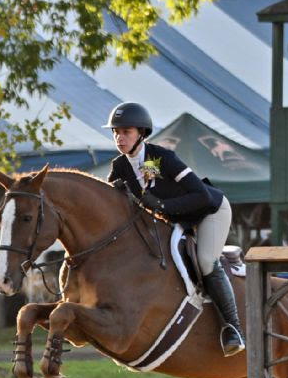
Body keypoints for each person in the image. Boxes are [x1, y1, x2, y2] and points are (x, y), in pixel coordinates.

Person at [104, 102, 244, 357]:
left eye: (126, 132)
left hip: (209, 211)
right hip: (175, 218)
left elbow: (200, 195)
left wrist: (161, 204)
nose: (119, 137)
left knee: (205, 260)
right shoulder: (121, 167)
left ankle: (233, 329)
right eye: (116, 132)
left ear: (141, 134)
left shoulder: (159, 158)